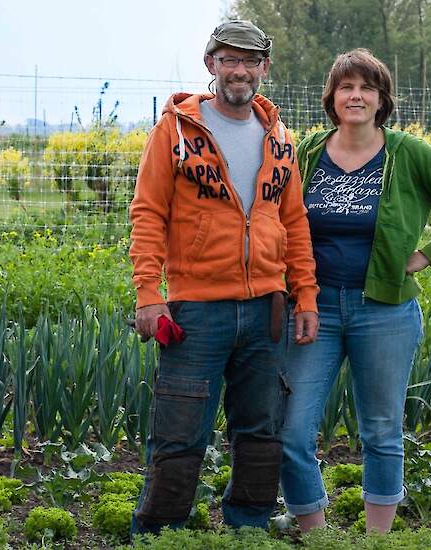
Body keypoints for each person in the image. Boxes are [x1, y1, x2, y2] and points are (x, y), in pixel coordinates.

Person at [279, 48, 431, 534]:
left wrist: (424, 256)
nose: (355, 96)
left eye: (367, 88)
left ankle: (376, 541)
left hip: (384, 312)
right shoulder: (309, 152)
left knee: (380, 431)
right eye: (346, 87)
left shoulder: (407, 154)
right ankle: (318, 538)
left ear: (382, 100)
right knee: (291, 430)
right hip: (314, 309)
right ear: (332, 98)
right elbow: (280, 220)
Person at [128, 20, 320, 536]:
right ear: (211, 65)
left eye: (250, 60)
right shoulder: (175, 131)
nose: (239, 70)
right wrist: (150, 294)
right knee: (179, 432)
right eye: (229, 59)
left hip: (266, 307)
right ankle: (159, 537)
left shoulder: (279, 137)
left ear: (264, 68)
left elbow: (294, 221)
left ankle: (248, 533)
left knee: (261, 431)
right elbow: (148, 213)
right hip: (197, 308)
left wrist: (305, 296)